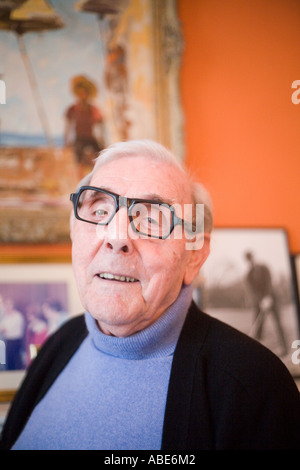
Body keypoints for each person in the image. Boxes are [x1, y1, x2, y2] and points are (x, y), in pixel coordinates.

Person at [1, 140, 299, 450]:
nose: (117, 238)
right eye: (100, 210)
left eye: (150, 219)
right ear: (75, 231)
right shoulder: (60, 342)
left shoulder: (255, 385)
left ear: (194, 255)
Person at [244, 251, 288, 356]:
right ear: (247, 261)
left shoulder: (264, 268)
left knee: (279, 324)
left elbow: (269, 282)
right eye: (249, 259)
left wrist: (268, 297)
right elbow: (253, 291)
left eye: (252, 258)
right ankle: (256, 350)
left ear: (254, 257)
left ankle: (284, 349)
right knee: (258, 326)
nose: (251, 260)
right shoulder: (249, 275)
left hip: (273, 298)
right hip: (260, 302)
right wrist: (260, 301)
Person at [64, 75, 104, 176]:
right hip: (79, 138)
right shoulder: (73, 109)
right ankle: (80, 185)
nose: (83, 95)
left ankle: (95, 180)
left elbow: (100, 126)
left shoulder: (93, 109)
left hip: (90, 138)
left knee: (99, 158)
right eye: (81, 93)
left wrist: (102, 140)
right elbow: (68, 126)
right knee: (79, 162)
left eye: (85, 92)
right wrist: (66, 140)